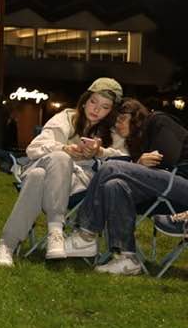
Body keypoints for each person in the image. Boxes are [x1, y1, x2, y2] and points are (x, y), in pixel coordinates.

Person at [0, 78, 127, 267]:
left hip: (77, 184)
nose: (96, 110)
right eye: (93, 102)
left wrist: (99, 152)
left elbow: (124, 160)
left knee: (37, 176)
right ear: (85, 100)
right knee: (58, 159)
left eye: (105, 107)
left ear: (111, 111)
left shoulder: (113, 131)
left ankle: (7, 245)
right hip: (50, 168)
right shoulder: (66, 118)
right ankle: (56, 230)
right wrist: (64, 148)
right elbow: (33, 149)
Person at [61, 98, 188, 275]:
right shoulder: (137, 142)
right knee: (115, 185)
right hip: (163, 191)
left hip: (181, 183)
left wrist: (141, 163)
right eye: (115, 122)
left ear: (136, 117)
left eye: (121, 119)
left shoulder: (158, 120)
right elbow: (145, 170)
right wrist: (139, 164)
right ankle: (127, 258)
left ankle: (85, 234)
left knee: (111, 167)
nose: (118, 125)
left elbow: (168, 158)